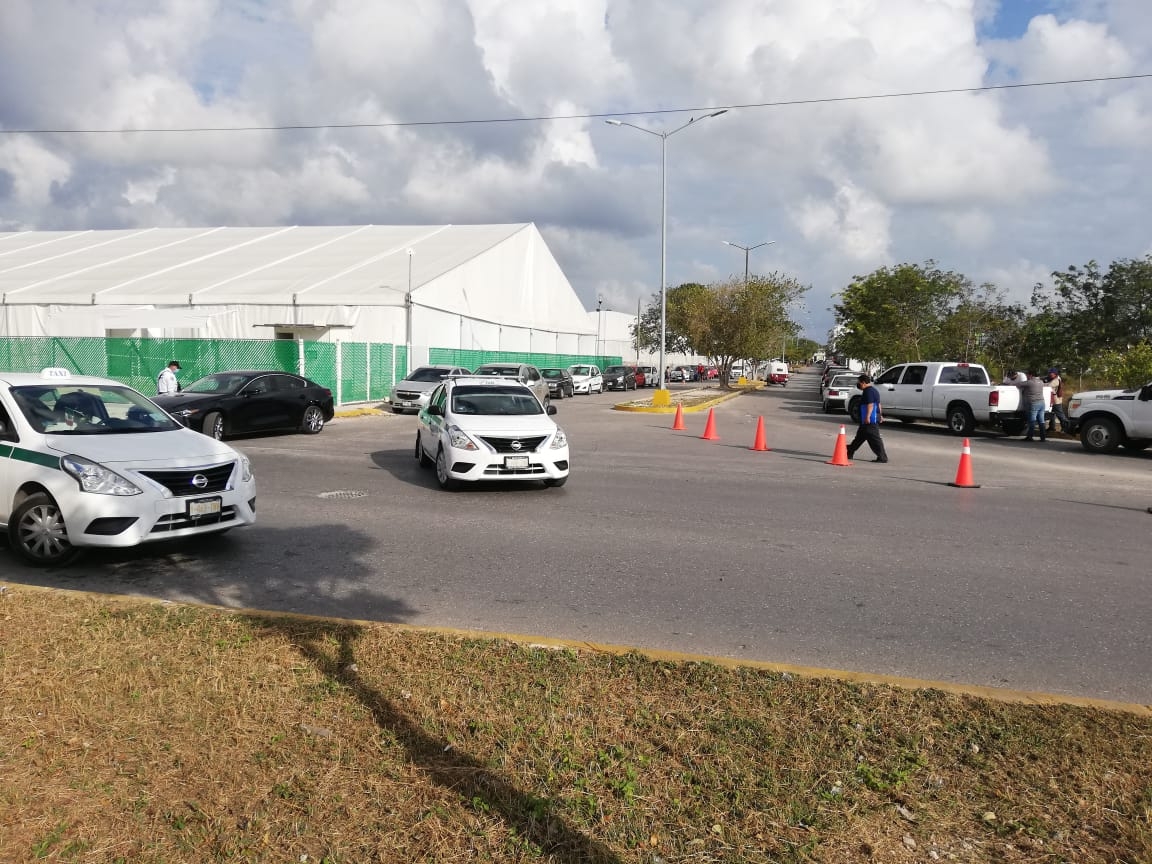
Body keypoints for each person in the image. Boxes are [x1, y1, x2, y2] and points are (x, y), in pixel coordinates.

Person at [846, 374, 888, 463]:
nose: (858, 384)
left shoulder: (868, 391)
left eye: (859, 383)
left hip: (869, 420)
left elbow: (871, 404)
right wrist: (880, 415)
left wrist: (868, 417)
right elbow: (879, 404)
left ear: (864, 383)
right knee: (860, 437)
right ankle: (850, 451)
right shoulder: (874, 390)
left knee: (874, 438)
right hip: (868, 420)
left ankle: (882, 457)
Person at [1017, 370, 1047, 441]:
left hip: (1033, 403)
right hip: (1042, 403)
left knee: (1032, 420)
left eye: (1027, 375)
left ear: (1031, 375)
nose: (1027, 376)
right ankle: (1043, 437)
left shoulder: (1029, 382)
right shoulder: (1041, 382)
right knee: (1041, 421)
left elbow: (1018, 384)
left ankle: (1030, 436)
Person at [1046, 367, 1067, 433]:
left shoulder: (1056, 380)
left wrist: (1041, 382)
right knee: (1052, 414)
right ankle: (1052, 427)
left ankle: (1065, 427)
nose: (1049, 374)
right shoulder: (1054, 378)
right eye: (1049, 373)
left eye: (1051, 373)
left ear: (1055, 373)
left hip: (1056, 400)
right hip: (1053, 399)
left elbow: (1048, 386)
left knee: (1060, 415)